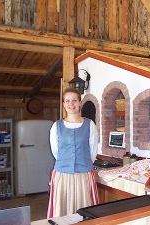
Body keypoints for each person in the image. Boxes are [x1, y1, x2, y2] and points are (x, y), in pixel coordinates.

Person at [47, 87, 99, 218]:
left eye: (74, 100)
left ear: (80, 102)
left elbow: (92, 150)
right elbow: (56, 151)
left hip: (83, 175)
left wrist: (83, 163)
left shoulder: (90, 125)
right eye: (67, 101)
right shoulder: (56, 126)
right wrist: (67, 162)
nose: (71, 104)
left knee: (84, 211)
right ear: (64, 104)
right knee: (62, 212)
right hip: (62, 176)